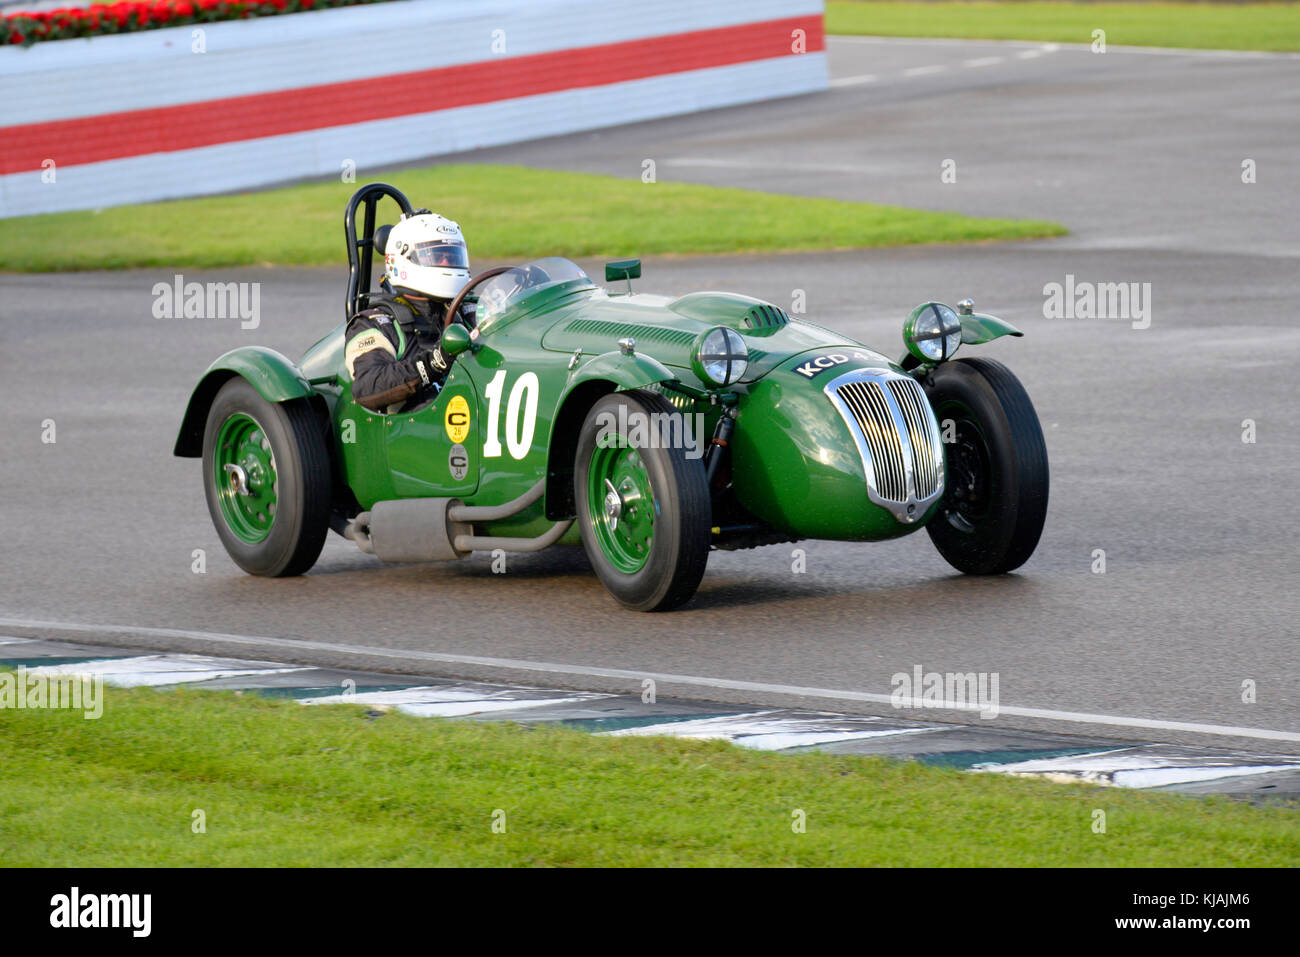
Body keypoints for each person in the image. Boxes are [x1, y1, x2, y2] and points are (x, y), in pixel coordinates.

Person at [344, 211, 474, 413]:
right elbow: (367, 388)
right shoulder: (374, 323)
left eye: (452, 255)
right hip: (421, 427)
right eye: (439, 256)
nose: (448, 263)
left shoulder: (467, 310)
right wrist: (432, 363)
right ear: (405, 259)